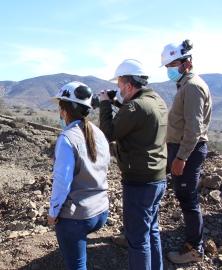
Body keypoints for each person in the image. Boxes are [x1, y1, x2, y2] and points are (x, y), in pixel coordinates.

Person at [98, 59, 168, 270]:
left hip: (139, 181)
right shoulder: (156, 100)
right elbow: (135, 119)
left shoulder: (136, 107)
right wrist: (117, 103)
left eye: (119, 87)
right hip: (157, 178)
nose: (118, 91)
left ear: (128, 85)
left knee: (137, 239)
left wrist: (104, 103)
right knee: (151, 231)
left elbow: (108, 132)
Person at [47, 81, 110, 270]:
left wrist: (53, 212)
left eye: (60, 106)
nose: (59, 111)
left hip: (77, 217)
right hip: (101, 211)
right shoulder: (98, 133)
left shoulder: (67, 138)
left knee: (77, 266)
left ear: (65, 110)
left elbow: (62, 181)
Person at [160, 39, 212, 264]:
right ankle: (192, 244)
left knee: (188, 199)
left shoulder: (192, 86)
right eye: (167, 65)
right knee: (182, 195)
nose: (169, 69)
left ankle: (194, 249)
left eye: (173, 64)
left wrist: (181, 157)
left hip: (187, 151)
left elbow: (194, 127)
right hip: (180, 148)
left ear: (186, 63)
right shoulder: (185, 84)